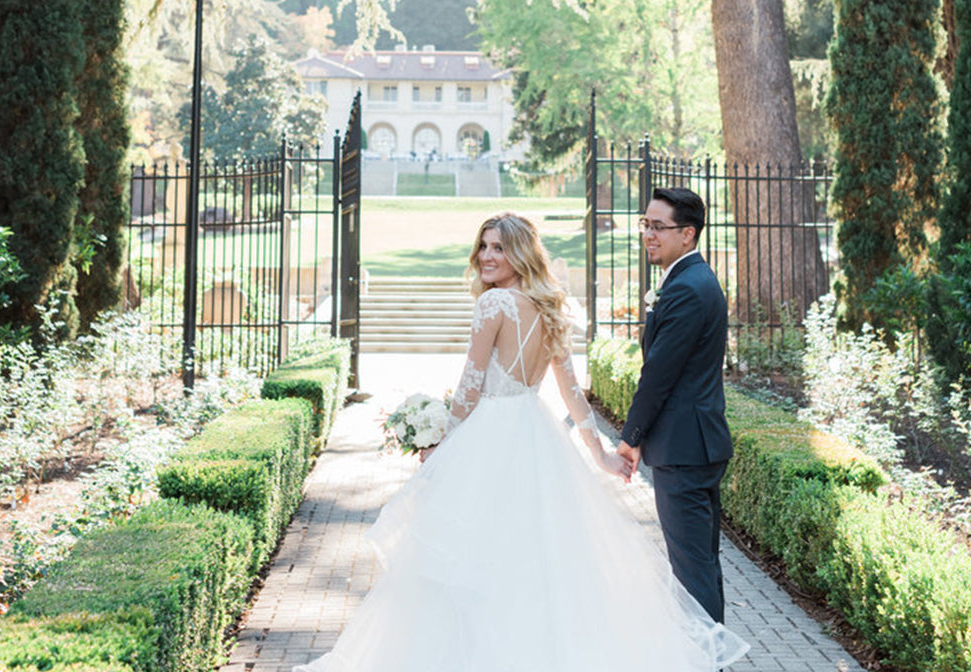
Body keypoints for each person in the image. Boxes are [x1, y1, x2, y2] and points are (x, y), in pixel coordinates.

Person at [295, 212, 747, 672]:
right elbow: (570, 391)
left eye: (499, 248)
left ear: (521, 254)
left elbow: (471, 384)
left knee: (472, 554)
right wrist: (600, 455)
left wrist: (444, 447)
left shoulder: (494, 306)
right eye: (484, 247)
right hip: (536, 432)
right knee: (534, 555)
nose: (488, 257)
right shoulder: (549, 304)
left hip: (491, 434)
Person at [617, 187, 733, 624]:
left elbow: (658, 376)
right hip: (695, 445)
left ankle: (706, 661)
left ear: (688, 234)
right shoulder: (691, 280)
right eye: (644, 224)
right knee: (701, 565)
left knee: (691, 572)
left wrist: (630, 439)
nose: (648, 234)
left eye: (657, 226)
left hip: (684, 450)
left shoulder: (687, 288)